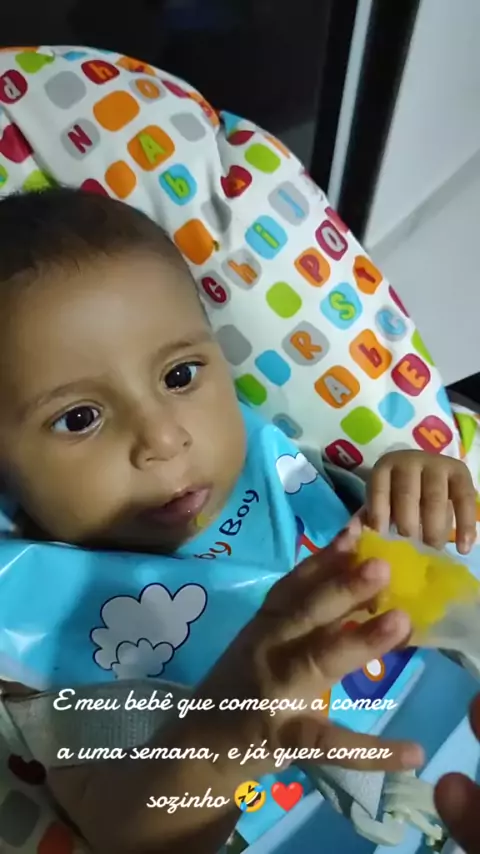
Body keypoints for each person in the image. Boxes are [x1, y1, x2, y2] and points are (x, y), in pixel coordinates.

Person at [0, 187, 476, 852]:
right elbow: (130, 834)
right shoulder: (46, 625)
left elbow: (442, 570)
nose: (162, 437)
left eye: (179, 375)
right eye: (79, 417)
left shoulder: (282, 477)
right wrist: (228, 738)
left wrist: (417, 490)